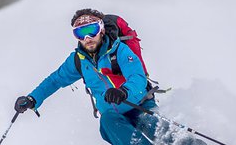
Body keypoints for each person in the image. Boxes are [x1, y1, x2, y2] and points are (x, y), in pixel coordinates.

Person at [14, 8, 205, 145]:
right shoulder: (78, 60)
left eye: (92, 30)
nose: (87, 38)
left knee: (158, 130)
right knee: (107, 123)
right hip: (112, 117)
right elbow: (55, 80)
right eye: (80, 33)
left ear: (101, 30)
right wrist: (32, 98)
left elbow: (137, 77)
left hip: (138, 104)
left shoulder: (119, 50)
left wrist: (123, 92)